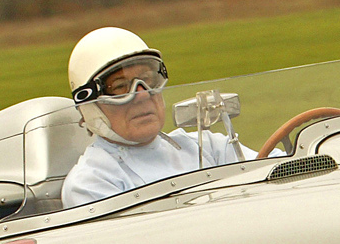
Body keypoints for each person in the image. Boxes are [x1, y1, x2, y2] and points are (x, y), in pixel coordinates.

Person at [59, 27, 253, 208]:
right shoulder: (90, 183)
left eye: (148, 79)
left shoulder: (207, 146)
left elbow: (278, 174)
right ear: (90, 106)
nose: (143, 95)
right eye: (120, 87)